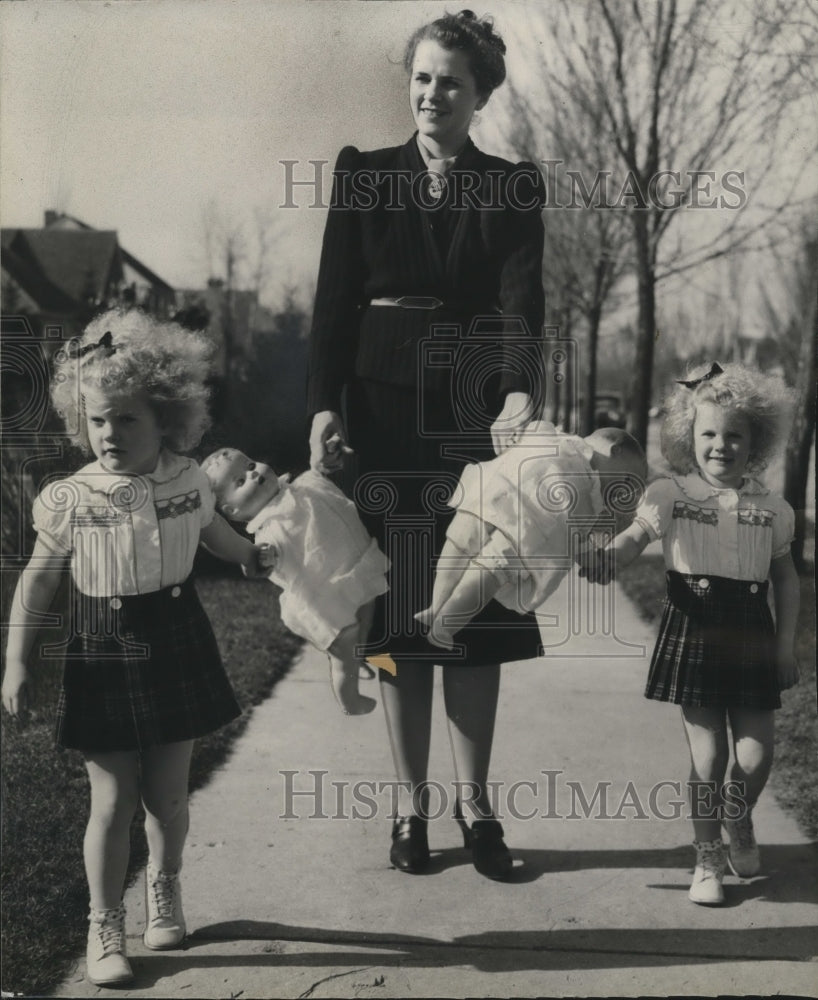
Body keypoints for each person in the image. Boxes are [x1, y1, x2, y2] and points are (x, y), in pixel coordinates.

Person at [308, 9, 547, 879]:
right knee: (399, 620)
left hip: (470, 425)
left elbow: (524, 308)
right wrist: (323, 407)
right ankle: (409, 815)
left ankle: (476, 809)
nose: (432, 93)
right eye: (420, 77)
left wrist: (520, 386)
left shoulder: (513, 187)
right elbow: (332, 306)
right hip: (378, 420)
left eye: (450, 80)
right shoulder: (364, 175)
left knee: (474, 620)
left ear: (479, 93)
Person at [1, 309, 261, 987]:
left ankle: (165, 885)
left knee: (168, 798)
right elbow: (38, 579)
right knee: (112, 801)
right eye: (97, 421)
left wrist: (253, 556)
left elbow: (217, 536)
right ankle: (104, 921)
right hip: (102, 647)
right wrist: (17, 660)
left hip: (176, 639)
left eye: (126, 419)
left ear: (167, 418)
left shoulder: (189, 482)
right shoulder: (72, 498)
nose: (109, 434)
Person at [579, 361, 800, 906]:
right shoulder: (670, 493)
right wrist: (610, 557)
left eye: (734, 435)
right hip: (694, 627)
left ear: (757, 440)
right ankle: (707, 857)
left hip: (751, 630)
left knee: (754, 756)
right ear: (688, 435)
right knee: (708, 757)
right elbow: (635, 536)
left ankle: (737, 818)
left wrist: (785, 643)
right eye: (707, 433)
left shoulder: (774, 509)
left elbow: (786, 578)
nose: (720, 445)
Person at [416, 423, 647, 649]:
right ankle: (438, 611)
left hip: (506, 510)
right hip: (509, 510)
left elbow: (576, 535)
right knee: (473, 556)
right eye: (627, 479)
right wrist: (592, 561)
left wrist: (592, 559)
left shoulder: (556, 440)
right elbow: (577, 536)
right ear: (613, 450)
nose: (622, 490)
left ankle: (445, 620)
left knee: (475, 559)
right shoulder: (583, 479)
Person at [201, 446, 389, 715]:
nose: (253, 475)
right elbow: (261, 559)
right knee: (345, 644)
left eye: (251, 465)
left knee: (367, 614)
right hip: (327, 598)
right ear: (233, 511)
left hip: (352, 569)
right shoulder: (267, 530)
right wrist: (264, 557)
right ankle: (349, 696)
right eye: (240, 482)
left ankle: (357, 657)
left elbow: (320, 479)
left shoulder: (299, 487)